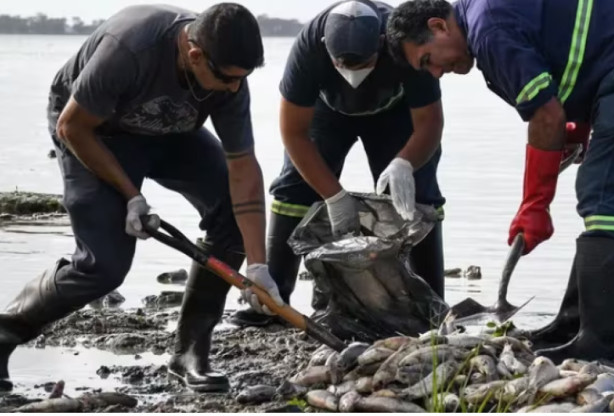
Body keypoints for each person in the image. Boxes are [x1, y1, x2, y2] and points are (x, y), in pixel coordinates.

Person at [386, 0, 614, 365]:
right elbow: (567, 54)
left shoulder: (488, 32)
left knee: (606, 200)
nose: (437, 73)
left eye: (428, 60)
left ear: (439, 26)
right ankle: (573, 325)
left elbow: (546, 116)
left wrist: (535, 204)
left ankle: (603, 343)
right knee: (601, 196)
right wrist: (578, 127)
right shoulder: (480, 16)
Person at [0, 3, 284, 393]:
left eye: (243, 79)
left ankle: (189, 354)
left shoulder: (229, 74)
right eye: (227, 79)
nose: (235, 89)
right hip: (95, 133)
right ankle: (5, 331)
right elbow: (72, 126)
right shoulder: (131, 49)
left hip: (171, 131)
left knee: (233, 218)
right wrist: (132, 196)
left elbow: (243, 168)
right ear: (195, 54)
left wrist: (258, 265)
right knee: (103, 266)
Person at [230, 0, 448, 328]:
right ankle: (274, 299)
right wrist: (334, 196)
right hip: (328, 113)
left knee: (417, 193)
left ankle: (432, 304)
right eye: (341, 64)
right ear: (325, 50)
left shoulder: (404, 40)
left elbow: (430, 123)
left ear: (381, 44)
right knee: (295, 188)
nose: (352, 73)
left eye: (363, 64)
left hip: (395, 114)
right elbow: (293, 133)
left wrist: (405, 162)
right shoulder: (308, 50)